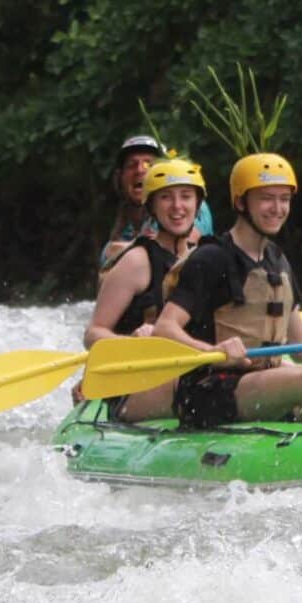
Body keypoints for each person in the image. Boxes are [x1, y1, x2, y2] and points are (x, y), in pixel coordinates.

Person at [150, 152, 302, 428]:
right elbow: (165, 328)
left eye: (284, 199)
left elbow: (301, 345)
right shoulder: (211, 259)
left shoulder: (277, 261)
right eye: (267, 198)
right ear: (240, 202)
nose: (277, 208)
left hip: (268, 382)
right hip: (210, 392)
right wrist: (213, 349)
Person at [79, 157, 207, 416]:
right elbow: (93, 334)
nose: (177, 206)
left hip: (189, 372)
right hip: (136, 382)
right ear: (152, 206)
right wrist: (131, 342)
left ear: (197, 204)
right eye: (166, 197)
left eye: (185, 196)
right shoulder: (136, 261)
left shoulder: (204, 259)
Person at [98, 132, 213, 272]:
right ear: (120, 177)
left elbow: (189, 242)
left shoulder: (187, 203)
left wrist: (125, 250)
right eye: (131, 165)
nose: (140, 170)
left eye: (148, 164)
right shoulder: (124, 228)